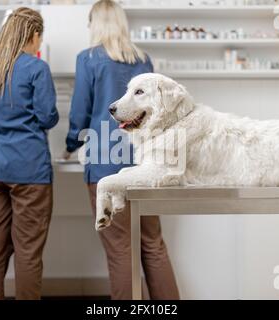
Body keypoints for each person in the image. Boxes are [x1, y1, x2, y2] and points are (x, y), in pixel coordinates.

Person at [63, 0, 179, 300]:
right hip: (145, 162)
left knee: (120, 249)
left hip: (105, 162)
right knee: (153, 244)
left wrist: (71, 144)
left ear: (96, 24)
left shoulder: (88, 59)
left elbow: (80, 111)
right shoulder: (144, 60)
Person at [0, 7, 58, 300]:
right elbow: (47, 117)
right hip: (29, 172)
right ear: (34, 35)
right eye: (39, 38)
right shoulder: (36, 68)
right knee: (28, 252)